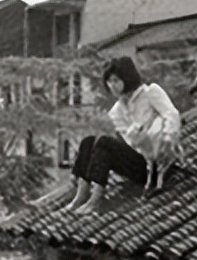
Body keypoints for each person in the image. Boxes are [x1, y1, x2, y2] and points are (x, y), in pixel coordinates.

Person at [63, 56, 181, 213]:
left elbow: (171, 114)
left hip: (159, 162)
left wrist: (167, 137)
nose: (112, 85)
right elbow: (130, 142)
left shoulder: (150, 93)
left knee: (104, 142)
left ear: (127, 78)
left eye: (116, 80)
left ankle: (96, 198)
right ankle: (81, 196)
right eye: (109, 81)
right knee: (88, 141)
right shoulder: (117, 112)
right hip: (139, 162)